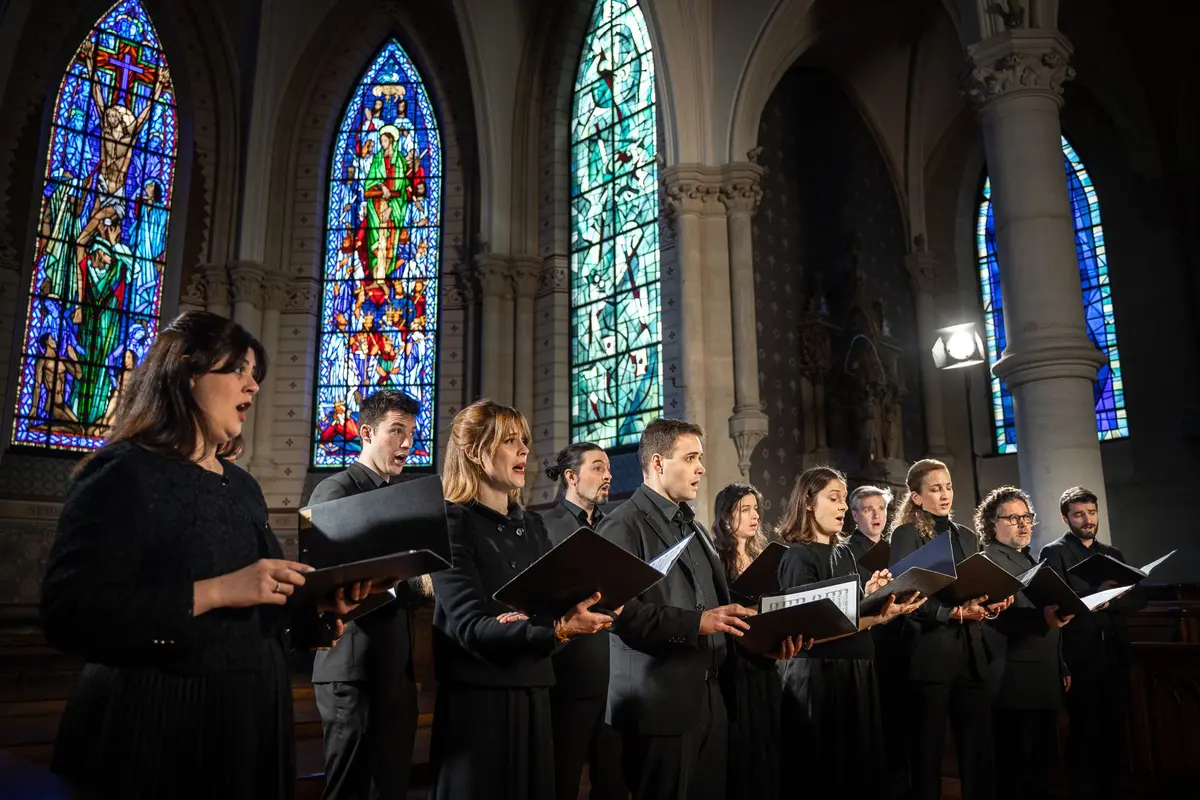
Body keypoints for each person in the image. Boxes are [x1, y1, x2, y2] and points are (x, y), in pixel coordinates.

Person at [39, 311, 367, 800]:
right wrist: (216, 592)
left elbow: (260, 610)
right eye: (237, 369)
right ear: (186, 373)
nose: (252, 386)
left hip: (251, 716)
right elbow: (69, 611)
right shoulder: (124, 473)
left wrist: (318, 613)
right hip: (160, 718)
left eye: (255, 374)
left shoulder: (242, 486)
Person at [598, 418, 799, 800]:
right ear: (658, 463)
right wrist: (696, 623)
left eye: (701, 458)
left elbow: (721, 609)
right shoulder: (622, 525)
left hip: (711, 700)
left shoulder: (694, 526)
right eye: (690, 458)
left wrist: (760, 645)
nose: (701, 468)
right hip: (660, 705)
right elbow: (619, 614)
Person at [429, 400, 612, 799]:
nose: (524, 450)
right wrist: (557, 627)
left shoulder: (531, 525)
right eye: (510, 441)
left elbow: (549, 606)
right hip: (478, 707)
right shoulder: (449, 522)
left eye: (524, 441)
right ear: (476, 452)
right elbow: (470, 627)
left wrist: (584, 608)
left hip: (535, 695)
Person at [776, 466, 924, 796]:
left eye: (844, 499)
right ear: (809, 503)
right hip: (819, 676)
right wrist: (874, 616)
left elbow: (848, 612)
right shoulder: (798, 556)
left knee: (860, 771)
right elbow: (809, 631)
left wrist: (873, 598)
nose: (843, 507)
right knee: (827, 773)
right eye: (835, 498)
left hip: (857, 668)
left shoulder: (844, 553)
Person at [310, 389, 429, 800]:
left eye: (412, 432)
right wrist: (413, 581)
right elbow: (333, 576)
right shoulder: (335, 490)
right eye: (396, 431)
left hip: (396, 672)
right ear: (365, 432)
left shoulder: (403, 499)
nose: (408, 443)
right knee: (350, 790)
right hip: (352, 671)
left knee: (390, 788)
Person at [889, 458, 1013, 800]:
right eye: (935, 489)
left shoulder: (967, 536)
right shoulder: (906, 535)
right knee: (927, 755)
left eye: (948, 487)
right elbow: (904, 595)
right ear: (916, 497)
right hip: (930, 655)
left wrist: (990, 603)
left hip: (971, 656)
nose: (945, 495)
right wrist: (951, 613)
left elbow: (974, 588)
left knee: (977, 754)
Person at [1039, 486, 1147, 800]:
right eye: (1079, 514)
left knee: (1115, 730)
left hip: (1114, 653)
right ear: (1065, 518)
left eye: (1092, 512)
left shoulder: (1111, 554)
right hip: (1080, 655)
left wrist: (1112, 602)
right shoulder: (1054, 552)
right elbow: (1055, 600)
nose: (1088, 520)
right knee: (1085, 731)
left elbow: (1139, 596)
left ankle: (1113, 789)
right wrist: (1097, 594)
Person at [975, 486, 1072, 800]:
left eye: (1027, 517)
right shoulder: (988, 560)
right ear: (992, 523)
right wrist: (1042, 619)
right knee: (1015, 770)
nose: (1023, 524)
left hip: (1044, 674)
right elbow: (997, 619)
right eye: (1013, 518)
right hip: (1014, 678)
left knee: (1041, 767)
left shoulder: (1028, 557)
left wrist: (1061, 664)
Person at [540, 443, 625, 800]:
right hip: (568, 675)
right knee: (562, 781)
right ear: (571, 477)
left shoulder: (616, 527)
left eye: (608, 468)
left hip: (617, 678)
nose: (608, 476)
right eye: (598, 468)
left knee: (613, 784)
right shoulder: (542, 527)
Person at [710, 482, 789, 800]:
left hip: (765, 658)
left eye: (756, 509)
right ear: (727, 518)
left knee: (767, 736)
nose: (755, 515)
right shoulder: (717, 559)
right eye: (746, 509)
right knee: (741, 740)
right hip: (734, 661)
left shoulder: (763, 556)